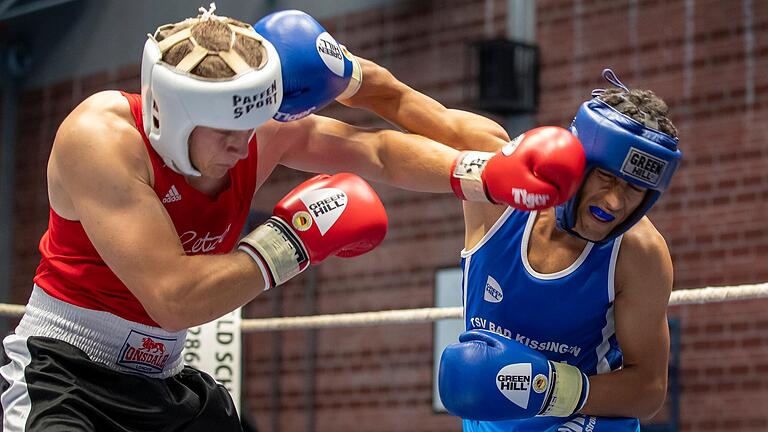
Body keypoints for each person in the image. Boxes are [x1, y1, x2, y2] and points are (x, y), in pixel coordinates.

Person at [0, 5, 586, 431]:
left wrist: (480, 172)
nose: (244, 144)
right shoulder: (100, 138)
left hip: (163, 382)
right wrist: (290, 242)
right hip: (67, 377)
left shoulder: (253, 129)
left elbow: (372, 149)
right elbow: (172, 298)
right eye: (228, 130)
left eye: (252, 123)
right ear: (173, 113)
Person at [343, 63, 681, 430]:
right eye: (605, 177)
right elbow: (396, 99)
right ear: (581, 160)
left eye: (634, 189)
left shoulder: (639, 253)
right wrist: (336, 69)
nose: (615, 203)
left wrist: (550, 388)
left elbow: (649, 389)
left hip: (583, 421)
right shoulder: (499, 180)